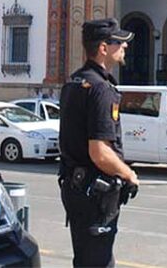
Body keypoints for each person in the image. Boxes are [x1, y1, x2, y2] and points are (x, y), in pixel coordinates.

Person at [58, 18, 140, 267]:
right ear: (104, 48)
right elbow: (100, 152)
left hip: (74, 187)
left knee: (84, 259)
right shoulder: (101, 89)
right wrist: (129, 174)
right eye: (119, 42)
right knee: (99, 262)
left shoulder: (73, 82)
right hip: (95, 193)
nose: (124, 47)